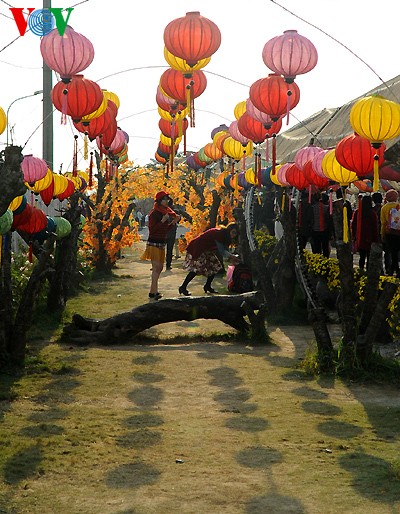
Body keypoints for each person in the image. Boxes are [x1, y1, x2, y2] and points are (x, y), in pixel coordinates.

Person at [178, 223, 240, 296]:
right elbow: (222, 251)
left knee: (215, 267)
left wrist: (231, 257)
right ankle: (183, 287)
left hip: (206, 250)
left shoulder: (225, 236)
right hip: (198, 248)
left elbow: (225, 250)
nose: (234, 235)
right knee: (196, 269)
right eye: (233, 232)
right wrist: (232, 257)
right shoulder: (219, 234)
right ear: (229, 230)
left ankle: (207, 286)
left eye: (236, 233)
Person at [141, 191, 180, 300]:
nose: (167, 201)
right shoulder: (154, 213)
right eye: (164, 199)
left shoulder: (165, 212)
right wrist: (162, 221)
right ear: (159, 201)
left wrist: (172, 222)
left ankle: (154, 291)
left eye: (167, 199)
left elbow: (165, 229)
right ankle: (153, 292)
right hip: (153, 242)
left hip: (161, 242)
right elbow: (152, 229)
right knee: (156, 268)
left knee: (160, 268)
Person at [350, 195, 378, 270]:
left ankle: (361, 270)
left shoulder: (357, 212)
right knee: (369, 256)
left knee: (362, 257)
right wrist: (375, 239)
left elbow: (353, 225)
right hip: (370, 237)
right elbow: (375, 227)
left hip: (360, 237)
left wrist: (354, 236)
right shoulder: (372, 213)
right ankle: (368, 271)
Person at [165, 198, 192, 270]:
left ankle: (158, 264)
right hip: (172, 232)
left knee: (161, 249)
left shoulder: (163, 211)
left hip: (164, 232)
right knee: (169, 249)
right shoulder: (175, 211)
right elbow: (179, 220)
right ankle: (168, 265)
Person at [380, 189, 400, 277]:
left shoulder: (384, 208)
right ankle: (395, 270)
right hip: (399, 232)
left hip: (389, 233)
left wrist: (382, 234)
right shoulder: (398, 206)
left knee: (393, 252)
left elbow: (383, 222)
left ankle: (394, 270)